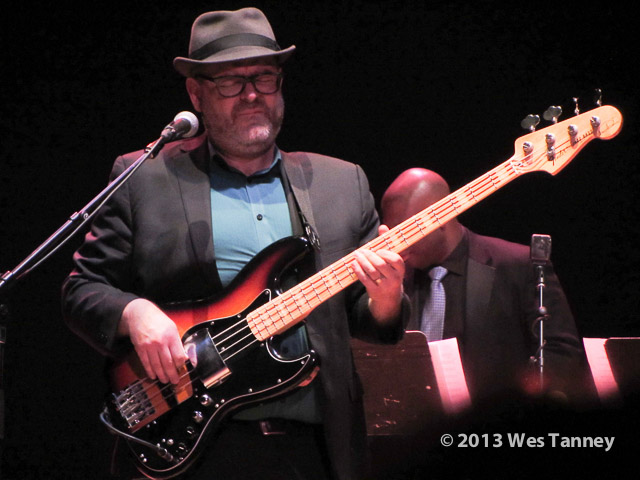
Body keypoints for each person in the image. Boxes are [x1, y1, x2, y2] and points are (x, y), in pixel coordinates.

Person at [61, 8, 406, 480]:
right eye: (230, 82)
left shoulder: (341, 182)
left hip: (315, 450)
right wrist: (134, 313)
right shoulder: (145, 178)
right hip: (195, 446)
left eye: (264, 77)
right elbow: (82, 289)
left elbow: (370, 320)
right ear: (195, 93)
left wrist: (386, 296)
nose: (251, 94)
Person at [380, 168, 588, 404]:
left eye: (406, 232)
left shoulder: (518, 264)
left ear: (441, 218)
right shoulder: (392, 279)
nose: (398, 246)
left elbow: (560, 352)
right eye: (391, 235)